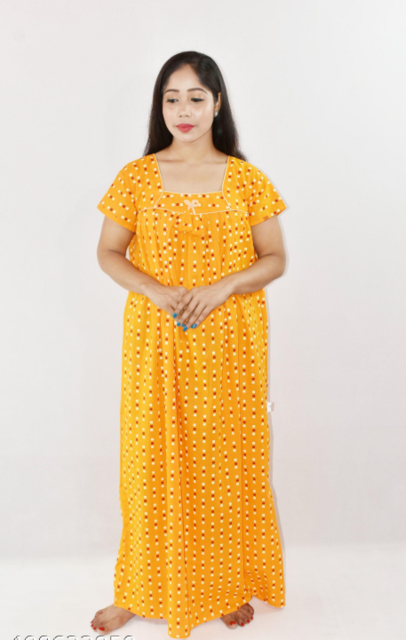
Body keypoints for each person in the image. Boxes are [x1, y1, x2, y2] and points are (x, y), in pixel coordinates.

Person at [92, 51, 288, 638]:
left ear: (217, 104)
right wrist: (154, 289)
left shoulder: (247, 179)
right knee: (149, 464)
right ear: (160, 106)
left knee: (224, 462)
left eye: (196, 98)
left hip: (229, 344)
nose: (183, 109)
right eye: (171, 98)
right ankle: (137, 590)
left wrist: (223, 285)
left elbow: (275, 258)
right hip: (156, 341)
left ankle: (225, 584)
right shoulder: (136, 177)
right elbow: (108, 251)